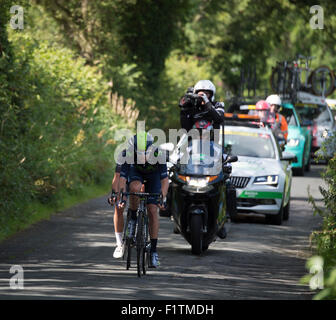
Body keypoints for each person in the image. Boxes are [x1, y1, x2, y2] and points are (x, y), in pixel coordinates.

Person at [117, 131, 169, 268]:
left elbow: (164, 181)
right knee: (134, 188)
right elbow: (122, 179)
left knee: (152, 210)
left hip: (154, 177)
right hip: (136, 173)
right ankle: (133, 218)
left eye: (144, 153)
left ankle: (153, 252)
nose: (141, 156)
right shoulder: (127, 154)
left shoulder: (159, 154)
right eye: (138, 153)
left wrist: (162, 198)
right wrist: (122, 196)